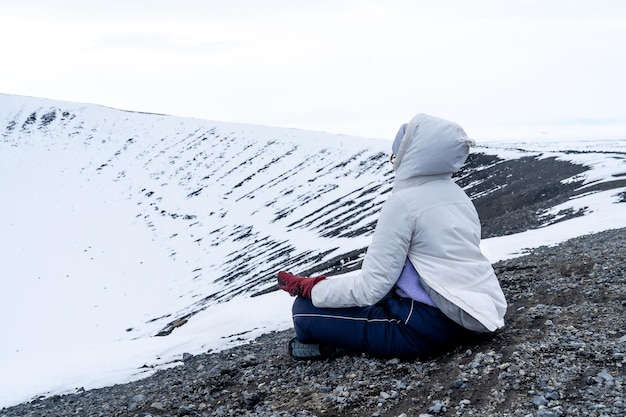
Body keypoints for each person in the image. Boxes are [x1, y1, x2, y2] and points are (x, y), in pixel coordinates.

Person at [277, 113, 507, 360]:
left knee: (303, 312)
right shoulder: (459, 196)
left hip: (427, 328)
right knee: (375, 299)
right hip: (476, 313)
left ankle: (338, 346)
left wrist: (311, 288)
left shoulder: (403, 203)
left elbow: (369, 289)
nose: (393, 161)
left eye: (394, 156)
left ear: (407, 156)